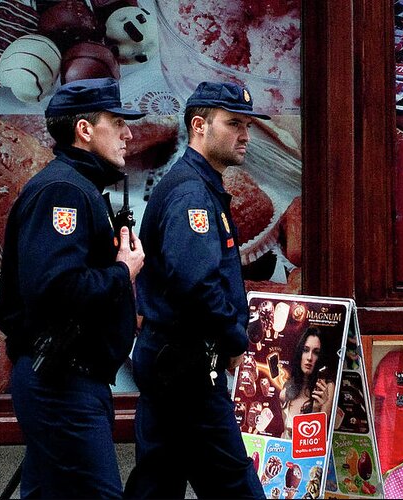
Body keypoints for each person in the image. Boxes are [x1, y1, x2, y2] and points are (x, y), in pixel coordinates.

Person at [0, 77, 146, 498]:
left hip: (68, 381)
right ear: (84, 129)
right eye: (116, 122)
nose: (128, 133)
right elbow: (56, 289)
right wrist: (123, 270)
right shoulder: (63, 191)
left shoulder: (78, 188)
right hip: (61, 385)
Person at [123, 82, 268, 499]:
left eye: (248, 125)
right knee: (233, 484)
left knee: (158, 480)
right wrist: (234, 339)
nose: (245, 135)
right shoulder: (191, 194)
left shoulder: (196, 185)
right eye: (234, 123)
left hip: (171, 359)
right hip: (186, 365)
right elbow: (197, 283)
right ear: (199, 126)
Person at [279, 327, 336, 439]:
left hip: (309, 452)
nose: (309, 358)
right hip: (285, 451)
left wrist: (316, 408)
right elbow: (284, 432)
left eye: (316, 352)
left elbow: (318, 438)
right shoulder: (288, 387)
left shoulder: (326, 388)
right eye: (305, 350)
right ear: (300, 353)